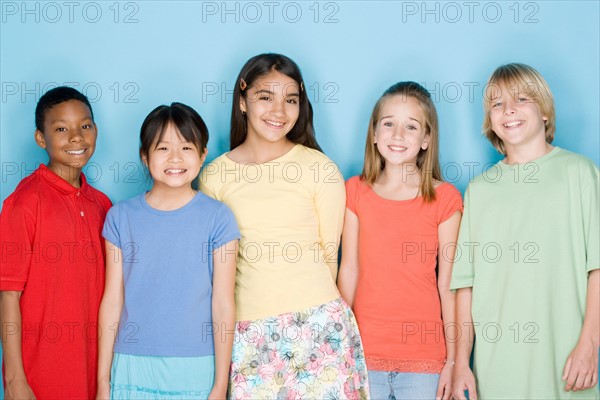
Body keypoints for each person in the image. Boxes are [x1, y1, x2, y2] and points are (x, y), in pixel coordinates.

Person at [200, 53, 369, 399]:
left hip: (319, 327)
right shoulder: (215, 175)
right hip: (248, 333)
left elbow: (328, 253)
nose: (279, 111)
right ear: (243, 99)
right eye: (266, 97)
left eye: (290, 100)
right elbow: (216, 270)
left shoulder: (319, 168)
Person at [451, 63, 599, 400]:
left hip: (567, 364)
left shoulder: (580, 173)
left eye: (521, 99)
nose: (509, 110)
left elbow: (597, 267)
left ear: (545, 111)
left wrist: (590, 344)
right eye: (497, 104)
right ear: (490, 121)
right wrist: (462, 363)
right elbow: (465, 285)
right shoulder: (479, 189)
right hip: (497, 369)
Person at [96, 103, 239, 399]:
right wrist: (102, 382)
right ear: (145, 156)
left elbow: (223, 303)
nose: (175, 158)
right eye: (162, 148)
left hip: (198, 365)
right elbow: (112, 299)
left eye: (186, 147)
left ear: (202, 155)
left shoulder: (219, 218)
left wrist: (220, 385)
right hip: (132, 364)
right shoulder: (120, 217)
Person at [337, 81, 462, 400]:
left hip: (425, 360)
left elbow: (448, 287)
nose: (397, 135)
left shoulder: (445, 198)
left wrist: (452, 361)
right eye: (389, 124)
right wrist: (337, 344)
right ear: (374, 133)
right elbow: (348, 270)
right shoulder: (355, 191)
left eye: (411, 126)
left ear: (426, 139)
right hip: (362, 354)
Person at [0, 86, 112, 399]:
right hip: (40, 377)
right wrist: (14, 381)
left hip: (95, 374)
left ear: (96, 131)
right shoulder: (24, 203)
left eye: (85, 126)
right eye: (61, 129)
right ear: (40, 138)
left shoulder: (103, 205)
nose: (76, 138)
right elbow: (8, 296)